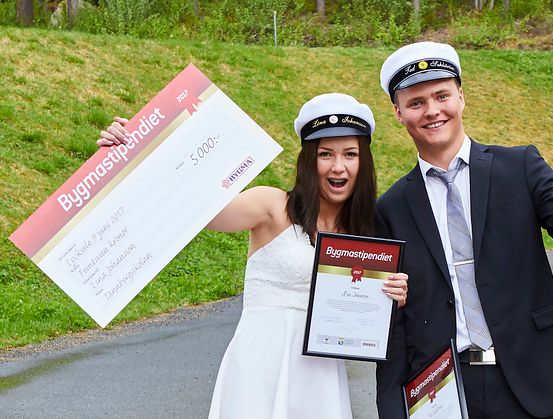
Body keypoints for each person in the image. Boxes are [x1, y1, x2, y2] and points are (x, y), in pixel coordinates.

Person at [374, 42, 553, 419]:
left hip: (529, 378)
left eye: (442, 95)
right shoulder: (390, 207)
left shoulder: (520, 166)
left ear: (461, 98)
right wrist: (392, 404)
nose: (433, 110)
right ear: (399, 112)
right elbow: (394, 317)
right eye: (417, 102)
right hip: (442, 389)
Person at [97, 93, 409, 419]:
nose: (338, 166)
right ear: (308, 160)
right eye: (325, 154)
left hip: (322, 377)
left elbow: (365, 323)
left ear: (364, 162)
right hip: (261, 367)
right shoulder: (272, 206)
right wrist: (131, 153)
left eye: (350, 154)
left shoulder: (365, 233)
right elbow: (195, 210)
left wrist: (392, 295)